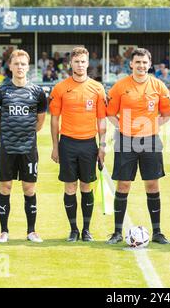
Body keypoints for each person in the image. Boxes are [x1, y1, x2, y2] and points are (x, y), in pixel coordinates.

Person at [105, 48, 170, 245]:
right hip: (126, 140)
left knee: (152, 184)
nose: (141, 66)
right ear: (131, 64)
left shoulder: (159, 87)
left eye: (144, 62)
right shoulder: (119, 87)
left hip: (150, 140)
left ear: (150, 64)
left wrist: (149, 127)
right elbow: (110, 113)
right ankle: (117, 232)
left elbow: (166, 115)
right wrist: (125, 128)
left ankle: (158, 231)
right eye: (138, 62)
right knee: (123, 184)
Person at [0, 49, 47, 243]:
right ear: (11, 66)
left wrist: (25, 136)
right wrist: (7, 136)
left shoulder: (37, 92)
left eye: (23, 64)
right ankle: (3, 231)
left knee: (29, 189)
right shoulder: (0, 91)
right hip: (7, 148)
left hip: (28, 149)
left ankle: (31, 231)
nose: (20, 67)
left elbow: (40, 122)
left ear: (27, 67)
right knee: (5, 187)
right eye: (17, 64)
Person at [49, 46, 107, 242]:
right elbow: (55, 119)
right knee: (70, 187)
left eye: (83, 61)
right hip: (67, 143)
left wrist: (103, 145)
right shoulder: (60, 88)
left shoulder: (97, 88)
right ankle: (73, 229)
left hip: (89, 144)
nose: (80, 65)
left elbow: (101, 120)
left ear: (88, 63)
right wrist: (55, 146)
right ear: (70, 64)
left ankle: (87, 230)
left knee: (86, 186)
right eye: (76, 62)